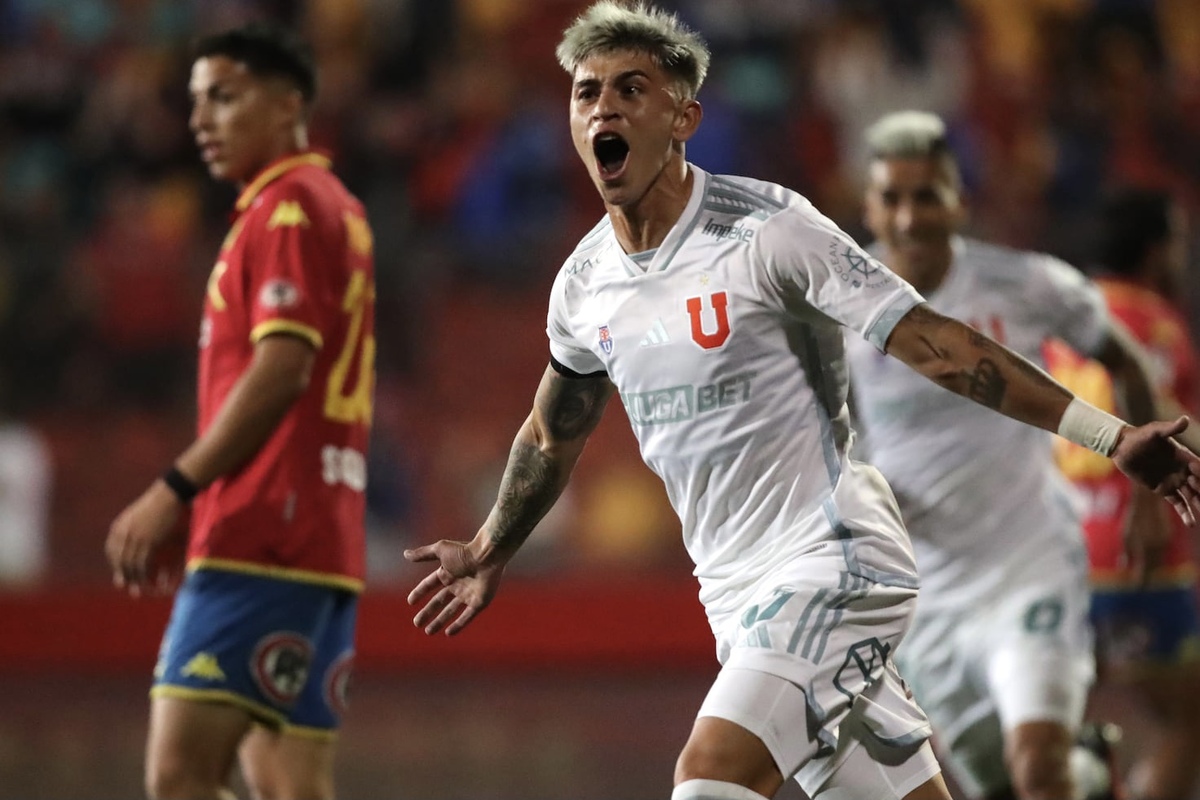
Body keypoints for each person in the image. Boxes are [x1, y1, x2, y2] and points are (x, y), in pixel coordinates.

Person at [404, 5, 1200, 800]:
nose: (603, 107)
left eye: (631, 88)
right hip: (736, 596)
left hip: (834, 560)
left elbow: (938, 344)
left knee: (708, 779)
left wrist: (1109, 435)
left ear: (684, 117)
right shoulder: (583, 284)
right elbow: (553, 431)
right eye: (587, 93)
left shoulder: (768, 230)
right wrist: (487, 548)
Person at [842, 109, 1173, 800]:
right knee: (996, 786)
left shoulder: (1025, 284)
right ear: (868, 206)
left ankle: (1065, 769)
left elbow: (1129, 364)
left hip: (1031, 564)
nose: (909, 217)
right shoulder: (839, 314)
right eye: (892, 198)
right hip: (927, 594)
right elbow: (827, 438)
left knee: (1036, 769)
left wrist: (1146, 500)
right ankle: (1092, 772)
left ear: (959, 201)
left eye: (926, 194)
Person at [104, 23, 375, 800]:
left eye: (223, 98)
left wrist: (176, 489)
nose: (200, 121)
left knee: (180, 776)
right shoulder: (333, 205)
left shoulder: (287, 209)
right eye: (195, 103)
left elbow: (282, 371)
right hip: (319, 539)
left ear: (289, 103)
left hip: (262, 532)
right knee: (290, 785)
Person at [1046, 188, 1200, 800]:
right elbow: (1173, 426)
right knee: (1186, 718)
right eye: (1180, 240)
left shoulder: (1065, 322)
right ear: (1156, 249)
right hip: (1142, 556)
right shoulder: (1155, 323)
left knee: (1061, 719)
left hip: (1065, 547)